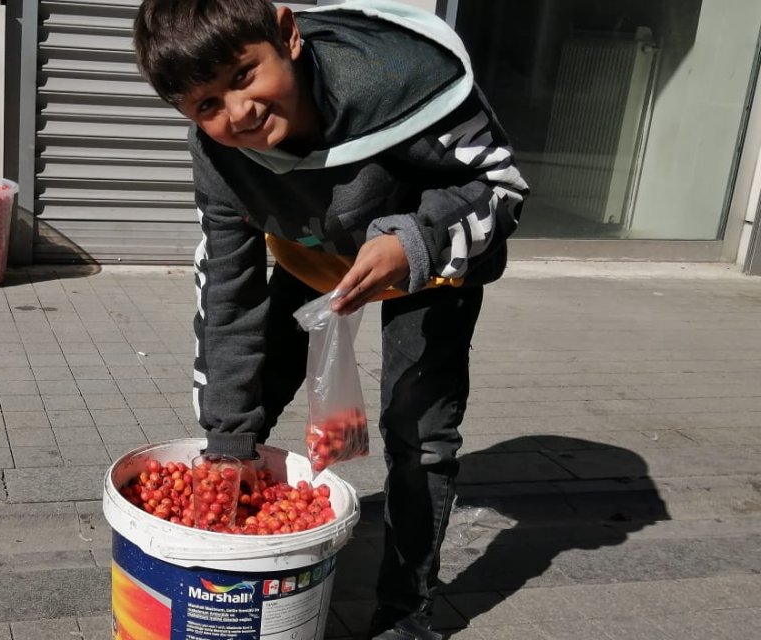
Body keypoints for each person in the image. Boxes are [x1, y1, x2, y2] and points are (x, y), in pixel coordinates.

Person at [133, 1, 528, 639]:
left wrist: (416, 244)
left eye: (242, 76)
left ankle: (408, 613)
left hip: (425, 261)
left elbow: (501, 189)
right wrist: (229, 441)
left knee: (419, 435)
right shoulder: (221, 155)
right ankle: (241, 567)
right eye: (205, 105)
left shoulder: (406, 82)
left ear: (287, 35)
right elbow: (229, 295)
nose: (237, 113)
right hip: (313, 259)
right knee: (242, 411)